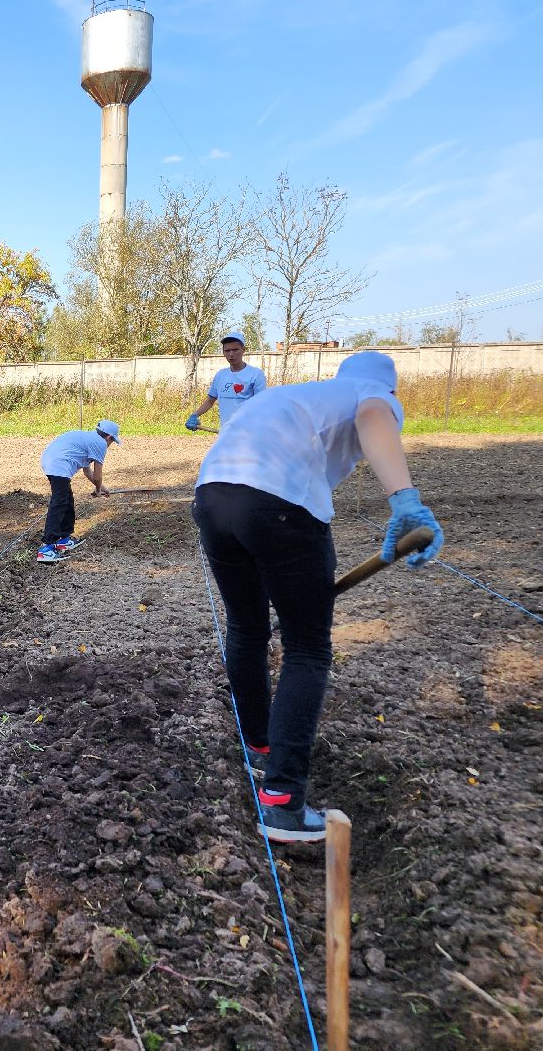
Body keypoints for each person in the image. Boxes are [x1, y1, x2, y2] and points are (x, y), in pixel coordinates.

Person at [191, 351, 443, 843]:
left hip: (212, 496)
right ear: (392, 390)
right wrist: (405, 502)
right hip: (279, 502)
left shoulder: (300, 395)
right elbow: (374, 417)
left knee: (246, 627)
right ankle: (282, 800)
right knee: (307, 648)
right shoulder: (372, 397)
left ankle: (259, 745)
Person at [36, 420, 123, 563]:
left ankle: (63, 539)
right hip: (59, 465)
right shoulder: (100, 443)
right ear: (109, 437)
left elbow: (87, 471)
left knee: (67, 500)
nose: (110, 444)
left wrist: (101, 488)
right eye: (113, 441)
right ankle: (46, 548)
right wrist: (97, 489)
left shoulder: (89, 438)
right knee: (59, 503)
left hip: (52, 461)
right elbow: (97, 475)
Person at [186, 333, 266, 432]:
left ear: (243, 350)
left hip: (248, 434)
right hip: (226, 432)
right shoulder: (220, 375)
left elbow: (262, 405)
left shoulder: (255, 374)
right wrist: (195, 415)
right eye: (227, 351)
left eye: (235, 350)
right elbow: (210, 401)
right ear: (223, 352)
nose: (231, 354)